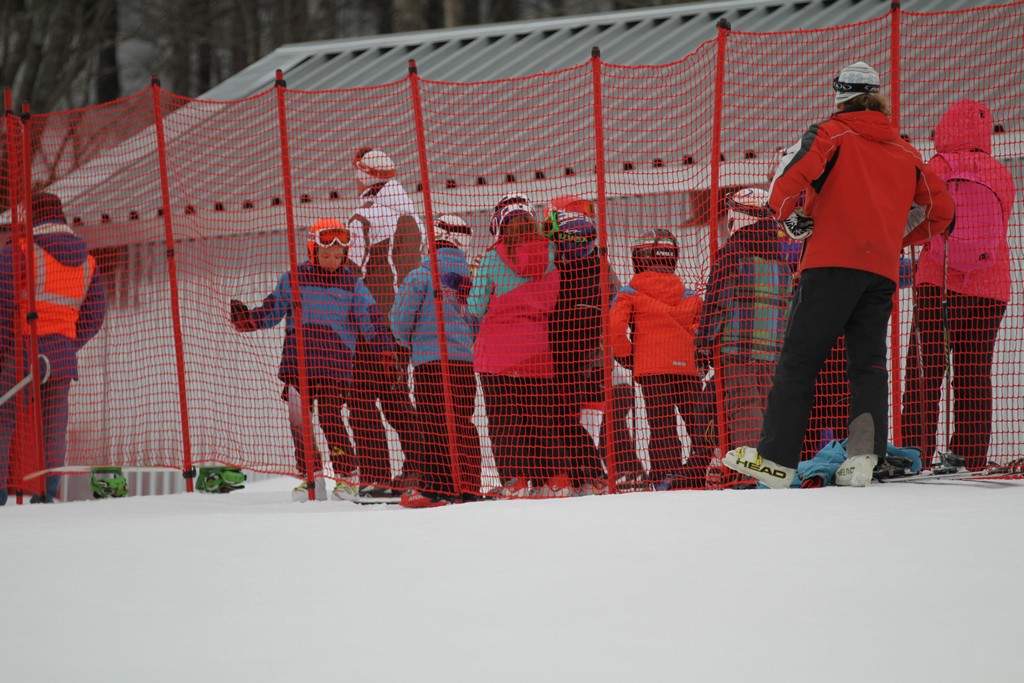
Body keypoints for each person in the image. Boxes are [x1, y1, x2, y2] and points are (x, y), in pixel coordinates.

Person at [723, 61, 955, 488]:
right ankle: (863, 458)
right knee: (868, 365)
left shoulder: (830, 133)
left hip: (829, 264)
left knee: (799, 359)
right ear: (878, 98)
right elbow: (940, 212)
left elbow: (786, 177)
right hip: (879, 273)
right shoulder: (906, 151)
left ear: (839, 96)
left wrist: (789, 216)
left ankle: (775, 460)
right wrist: (892, 238)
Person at [230, 218, 389, 501]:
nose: (332, 260)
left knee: (330, 418)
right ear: (313, 251)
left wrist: (386, 349)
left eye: (338, 255)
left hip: (335, 365)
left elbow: (371, 320)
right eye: (326, 254)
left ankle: (346, 476)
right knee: (299, 422)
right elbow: (271, 310)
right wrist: (248, 320)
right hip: (298, 364)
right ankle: (310, 477)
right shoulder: (293, 278)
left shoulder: (352, 283)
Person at [902, 99, 1015, 471]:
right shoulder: (1002, 173)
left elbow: (919, 220)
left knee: (926, 370)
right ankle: (970, 458)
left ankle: (914, 455)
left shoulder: (937, 167)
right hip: (990, 287)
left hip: (939, 280)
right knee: (974, 375)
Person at [0, 191, 106, 504]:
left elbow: (3, 308)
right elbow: (95, 315)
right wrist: (68, 344)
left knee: (4, 422)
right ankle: (47, 496)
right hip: (60, 360)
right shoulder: (88, 261)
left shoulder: (17, 252)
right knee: (53, 429)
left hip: (21, 351)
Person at [469, 196, 561, 497]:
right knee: (541, 418)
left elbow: (476, 306)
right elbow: (551, 301)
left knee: (504, 420)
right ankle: (552, 481)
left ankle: (514, 482)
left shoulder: (493, 257)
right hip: (537, 348)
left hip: (497, 353)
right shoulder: (550, 253)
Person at [610, 228, 716, 489]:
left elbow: (614, 325)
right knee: (697, 421)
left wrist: (625, 355)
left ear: (640, 258)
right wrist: (700, 357)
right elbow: (703, 327)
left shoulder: (630, 291)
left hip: (651, 368)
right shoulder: (688, 294)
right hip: (687, 368)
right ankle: (702, 470)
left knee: (661, 425)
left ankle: (665, 475)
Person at [390, 214, 482, 507]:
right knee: (462, 423)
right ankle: (468, 486)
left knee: (433, 424)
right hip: (464, 363)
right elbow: (478, 320)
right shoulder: (471, 279)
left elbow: (400, 322)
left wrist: (410, 342)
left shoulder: (421, 275)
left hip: (429, 363)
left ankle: (435, 488)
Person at [347, 148, 424, 491]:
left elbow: (351, 272)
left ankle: (375, 475)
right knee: (396, 398)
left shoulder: (364, 217)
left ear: (364, 175)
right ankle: (419, 465)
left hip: (370, 324)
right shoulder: (414, 218)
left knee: (362, 399)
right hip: (405, 324)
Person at [695, 187, 793, 455]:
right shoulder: (782, 263)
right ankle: (769, 462)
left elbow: (717, 302)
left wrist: (702, 342)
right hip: (772, 351)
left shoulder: (732, 253)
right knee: (765, 406)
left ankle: (749, 470)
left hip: (736, 349)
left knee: (742, 406)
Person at [543, 202, 613, 494]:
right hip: (582, 360)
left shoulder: (570, 269)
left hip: (576, 361)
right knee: (569, 423)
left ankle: (590, 477)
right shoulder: (590, 266)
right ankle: (584, 477)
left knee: (569, 423)